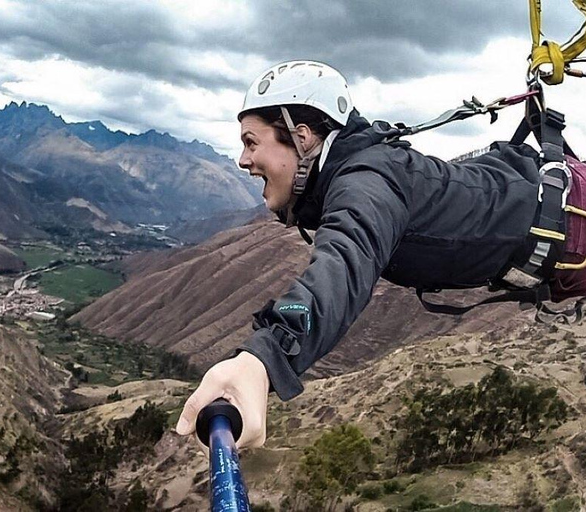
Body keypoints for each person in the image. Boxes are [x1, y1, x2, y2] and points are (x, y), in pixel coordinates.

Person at [174, 60, 585, 450]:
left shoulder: (365, 181)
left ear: (302, 137)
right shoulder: (364, 169)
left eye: (251, 142)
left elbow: (341, 270)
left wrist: (264, 358)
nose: (243, 160)